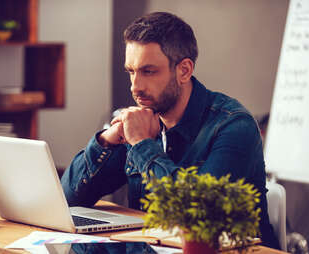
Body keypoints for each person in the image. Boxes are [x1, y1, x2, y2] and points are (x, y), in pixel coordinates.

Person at [61, 12, 279, 249]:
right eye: (131, 71)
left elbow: (197, 217)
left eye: (148, 71)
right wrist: (106, 141)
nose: (136, 87)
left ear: (184, 70)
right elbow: (69, 198)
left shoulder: (234, 126)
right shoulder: (142, 122)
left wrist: (142, 144)